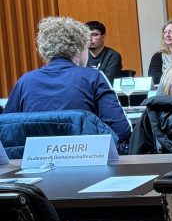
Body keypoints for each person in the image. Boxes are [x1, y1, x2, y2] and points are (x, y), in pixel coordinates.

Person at [4, 16, 131, 145]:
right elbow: (121, 130)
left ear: (44, 50)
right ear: (80, 49)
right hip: (85, 155)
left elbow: (5, 129)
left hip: (35, 157)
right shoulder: (93, 77)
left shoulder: (24, 81)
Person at [146, 18, 172, 86]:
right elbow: (154, 77)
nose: (167, 35)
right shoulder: (157, 56)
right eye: (165, 32)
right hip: (165, 90)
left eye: (171, 32)